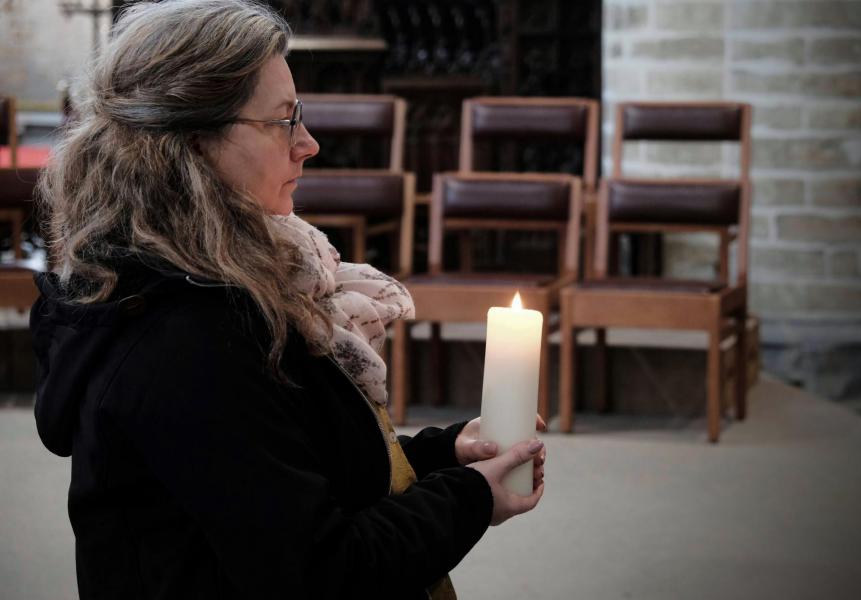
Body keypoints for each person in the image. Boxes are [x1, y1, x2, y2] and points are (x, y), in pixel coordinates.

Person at [30, 1, 546, 599]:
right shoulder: (187, 338)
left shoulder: (226, 287)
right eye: (283, 121)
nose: (309, 143)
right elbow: (324, 571)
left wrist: (444, 456)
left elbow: (291, 474)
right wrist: (472, 496)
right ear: (195, 144)